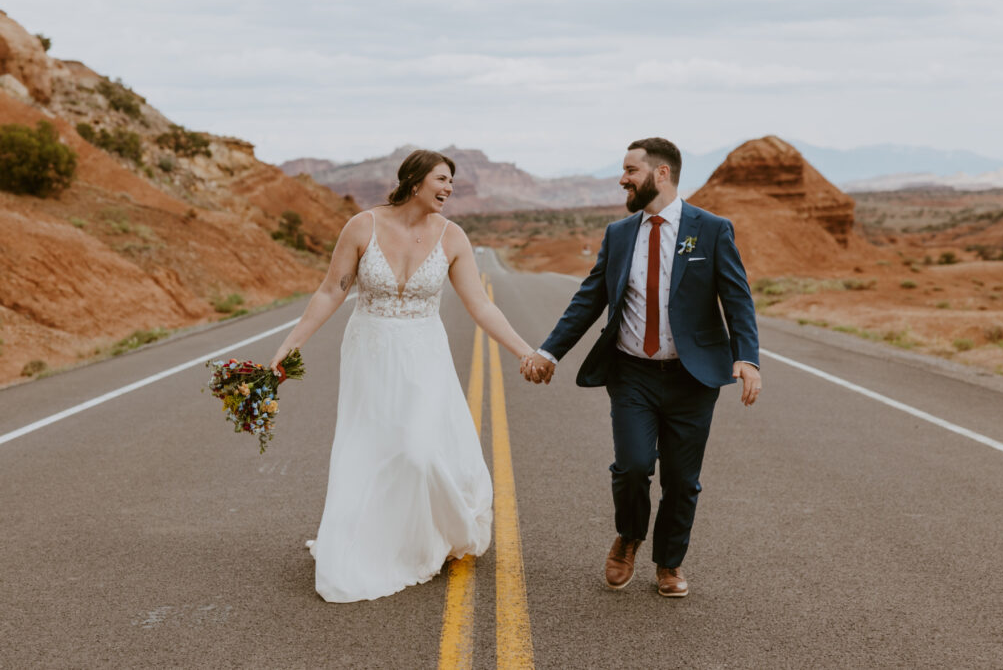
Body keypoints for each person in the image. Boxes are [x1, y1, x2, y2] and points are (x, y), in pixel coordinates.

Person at [269, 149, 534, 603]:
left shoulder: (453, 238)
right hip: (369, 352)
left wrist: (525, 351)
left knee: (418, 451)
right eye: (442, 179)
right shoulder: (362, 226)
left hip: (424, 354)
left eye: (452, 181)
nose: (449, 188)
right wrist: (285, 352)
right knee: (370, 447)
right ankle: (371, 539)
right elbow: (331, 291)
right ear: (415, 181)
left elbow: (481, 305)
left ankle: (427, 536)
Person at [522, 137, 761, 598]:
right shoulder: (619, 233)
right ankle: (629, 537)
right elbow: (589, 299)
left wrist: (746, 358)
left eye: (631, 170)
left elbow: (738, 299)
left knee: (681, 479)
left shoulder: (710, 229)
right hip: (632, 372)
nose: (622, 178)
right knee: (632, 466)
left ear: (661, 174)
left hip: (693, 378)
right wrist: (549, 351)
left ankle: (669, 562)